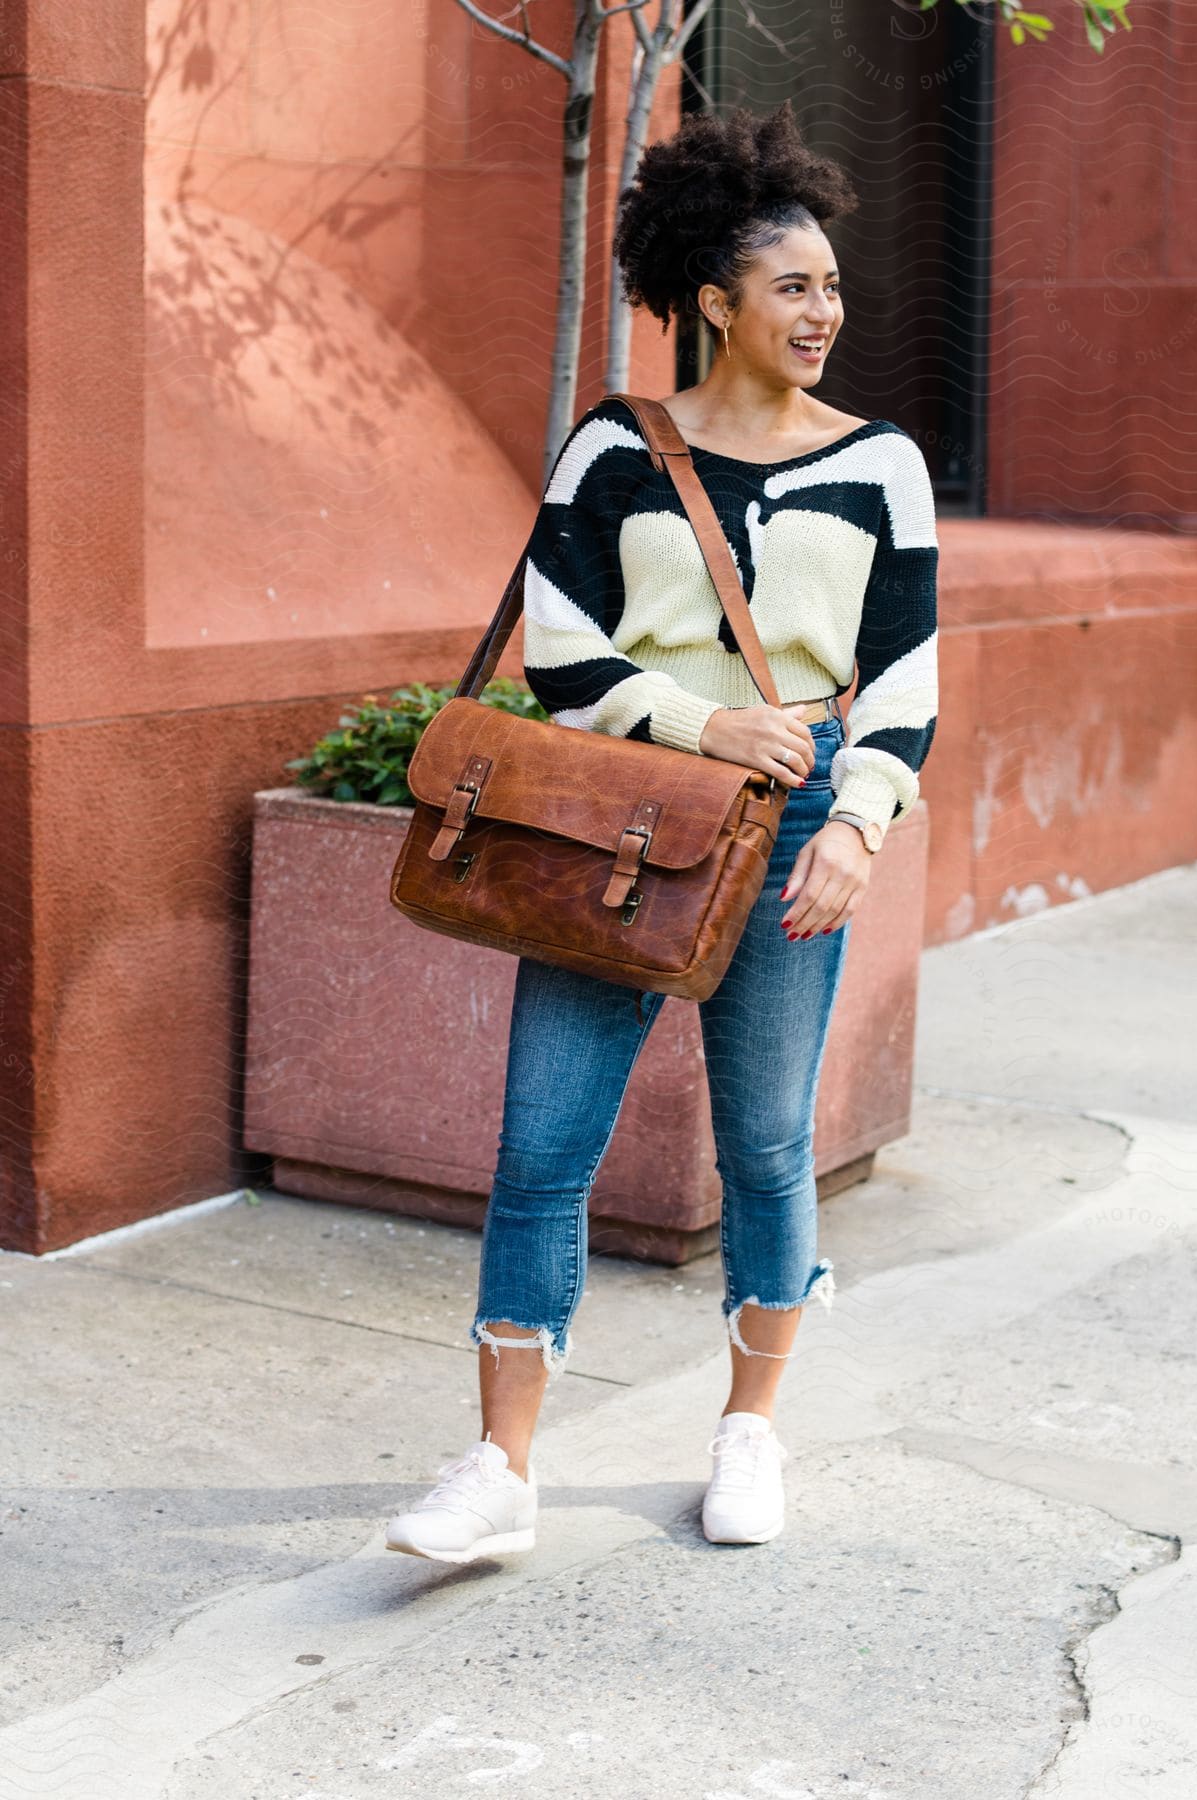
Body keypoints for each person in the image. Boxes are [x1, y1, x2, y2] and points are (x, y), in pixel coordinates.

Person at [387, 100, 939, 1564]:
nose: (825, 310)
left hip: (798, 821)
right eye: (793, 286)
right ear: (712, 303)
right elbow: (558, 649)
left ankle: (750, 1430)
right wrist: (702, 727)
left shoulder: (880, 462)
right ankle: (501, 1470)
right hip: (617, 822)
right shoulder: (615, 448)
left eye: (830, 286)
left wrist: (860, 825)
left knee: (765, 1147)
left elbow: (906, 680)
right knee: (542, 1144)